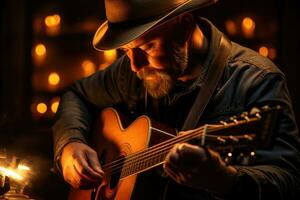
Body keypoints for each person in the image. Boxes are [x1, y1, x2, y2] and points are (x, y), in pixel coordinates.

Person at [53, 0, 300, 199]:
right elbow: (77, 95)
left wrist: (225, 180)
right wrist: (70, 143)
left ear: (183, 27)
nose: (135, 65)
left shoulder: (256, 80)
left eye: (147, 47)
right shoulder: (130, 71)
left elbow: (286, 182)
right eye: (126, 51)